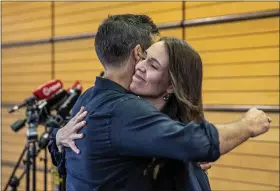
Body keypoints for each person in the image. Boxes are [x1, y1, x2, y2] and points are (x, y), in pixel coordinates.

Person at [50, 14, 271, 191]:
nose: (143, 66)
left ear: (171, 85)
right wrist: (248, 125)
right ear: (137, 53)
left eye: (153, 64)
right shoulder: (125, 111)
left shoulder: (88, 98)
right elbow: (196, 142)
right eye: (145, 57)